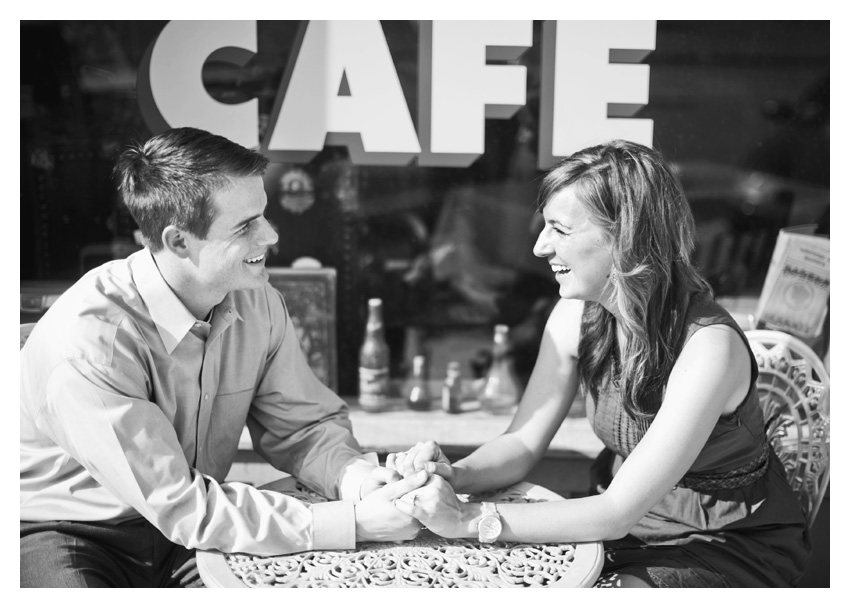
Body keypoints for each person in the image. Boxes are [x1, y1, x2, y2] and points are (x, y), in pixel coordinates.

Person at [386, 140, 811, 587]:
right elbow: (522, 443)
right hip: (612, 522)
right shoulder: (575, 314)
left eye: (559, 229)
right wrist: (454, 474)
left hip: (720, 543)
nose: (538, 247)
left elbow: (615, 514)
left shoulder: (708, 348)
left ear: (624, 238)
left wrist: (470, 519)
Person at [20, 127, 428, 587]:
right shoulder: (91, 339)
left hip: (197, 529)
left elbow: (302, 428)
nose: (271, 235)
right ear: (178, 242)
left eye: (264, 216)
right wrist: (353, 522)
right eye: (245, 226)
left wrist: (356, 481)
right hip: (67, 533)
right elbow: (180, 503)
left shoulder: (257, 300)